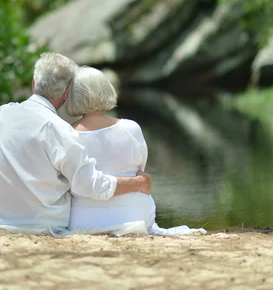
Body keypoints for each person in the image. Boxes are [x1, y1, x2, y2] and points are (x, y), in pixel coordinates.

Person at [0, 53, 152, 235]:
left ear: (33, 83)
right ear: (66, 94)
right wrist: (136, 183)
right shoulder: (59, 130)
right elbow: (88, 184)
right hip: (41, 225)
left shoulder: (4, 113)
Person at [65, 66, 206, 236]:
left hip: (84, 221)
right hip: (135, 216)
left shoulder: (66, 134)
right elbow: (140, 171)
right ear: (106, 90)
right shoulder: (130, 128)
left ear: (73, 97)